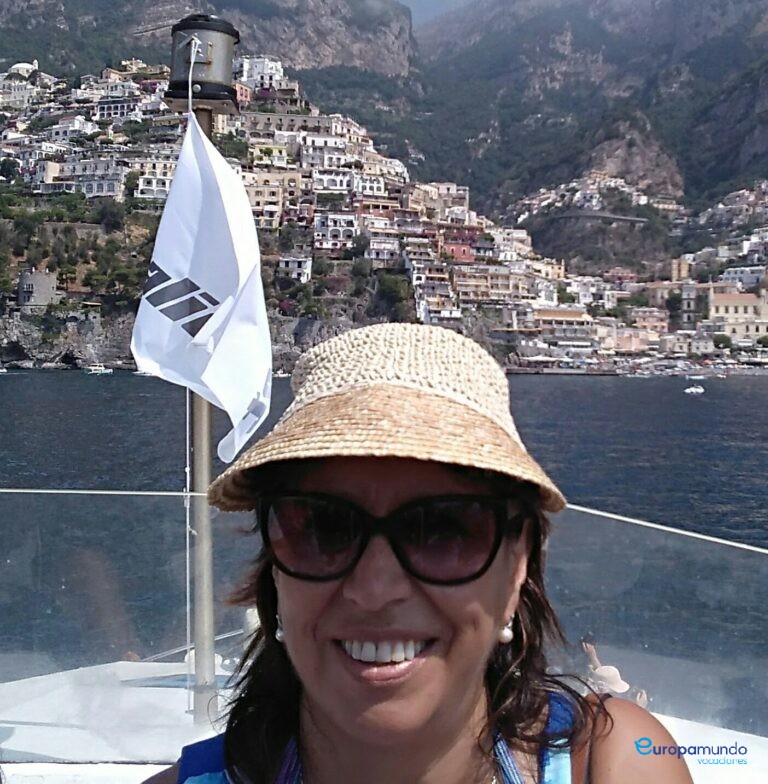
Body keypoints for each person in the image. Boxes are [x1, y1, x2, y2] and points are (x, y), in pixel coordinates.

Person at [145, 323, 692, 784]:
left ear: (518, 563)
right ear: (275, 569)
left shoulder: (617, 763)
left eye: (443, 530)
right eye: (324, 529)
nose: (375, 589)